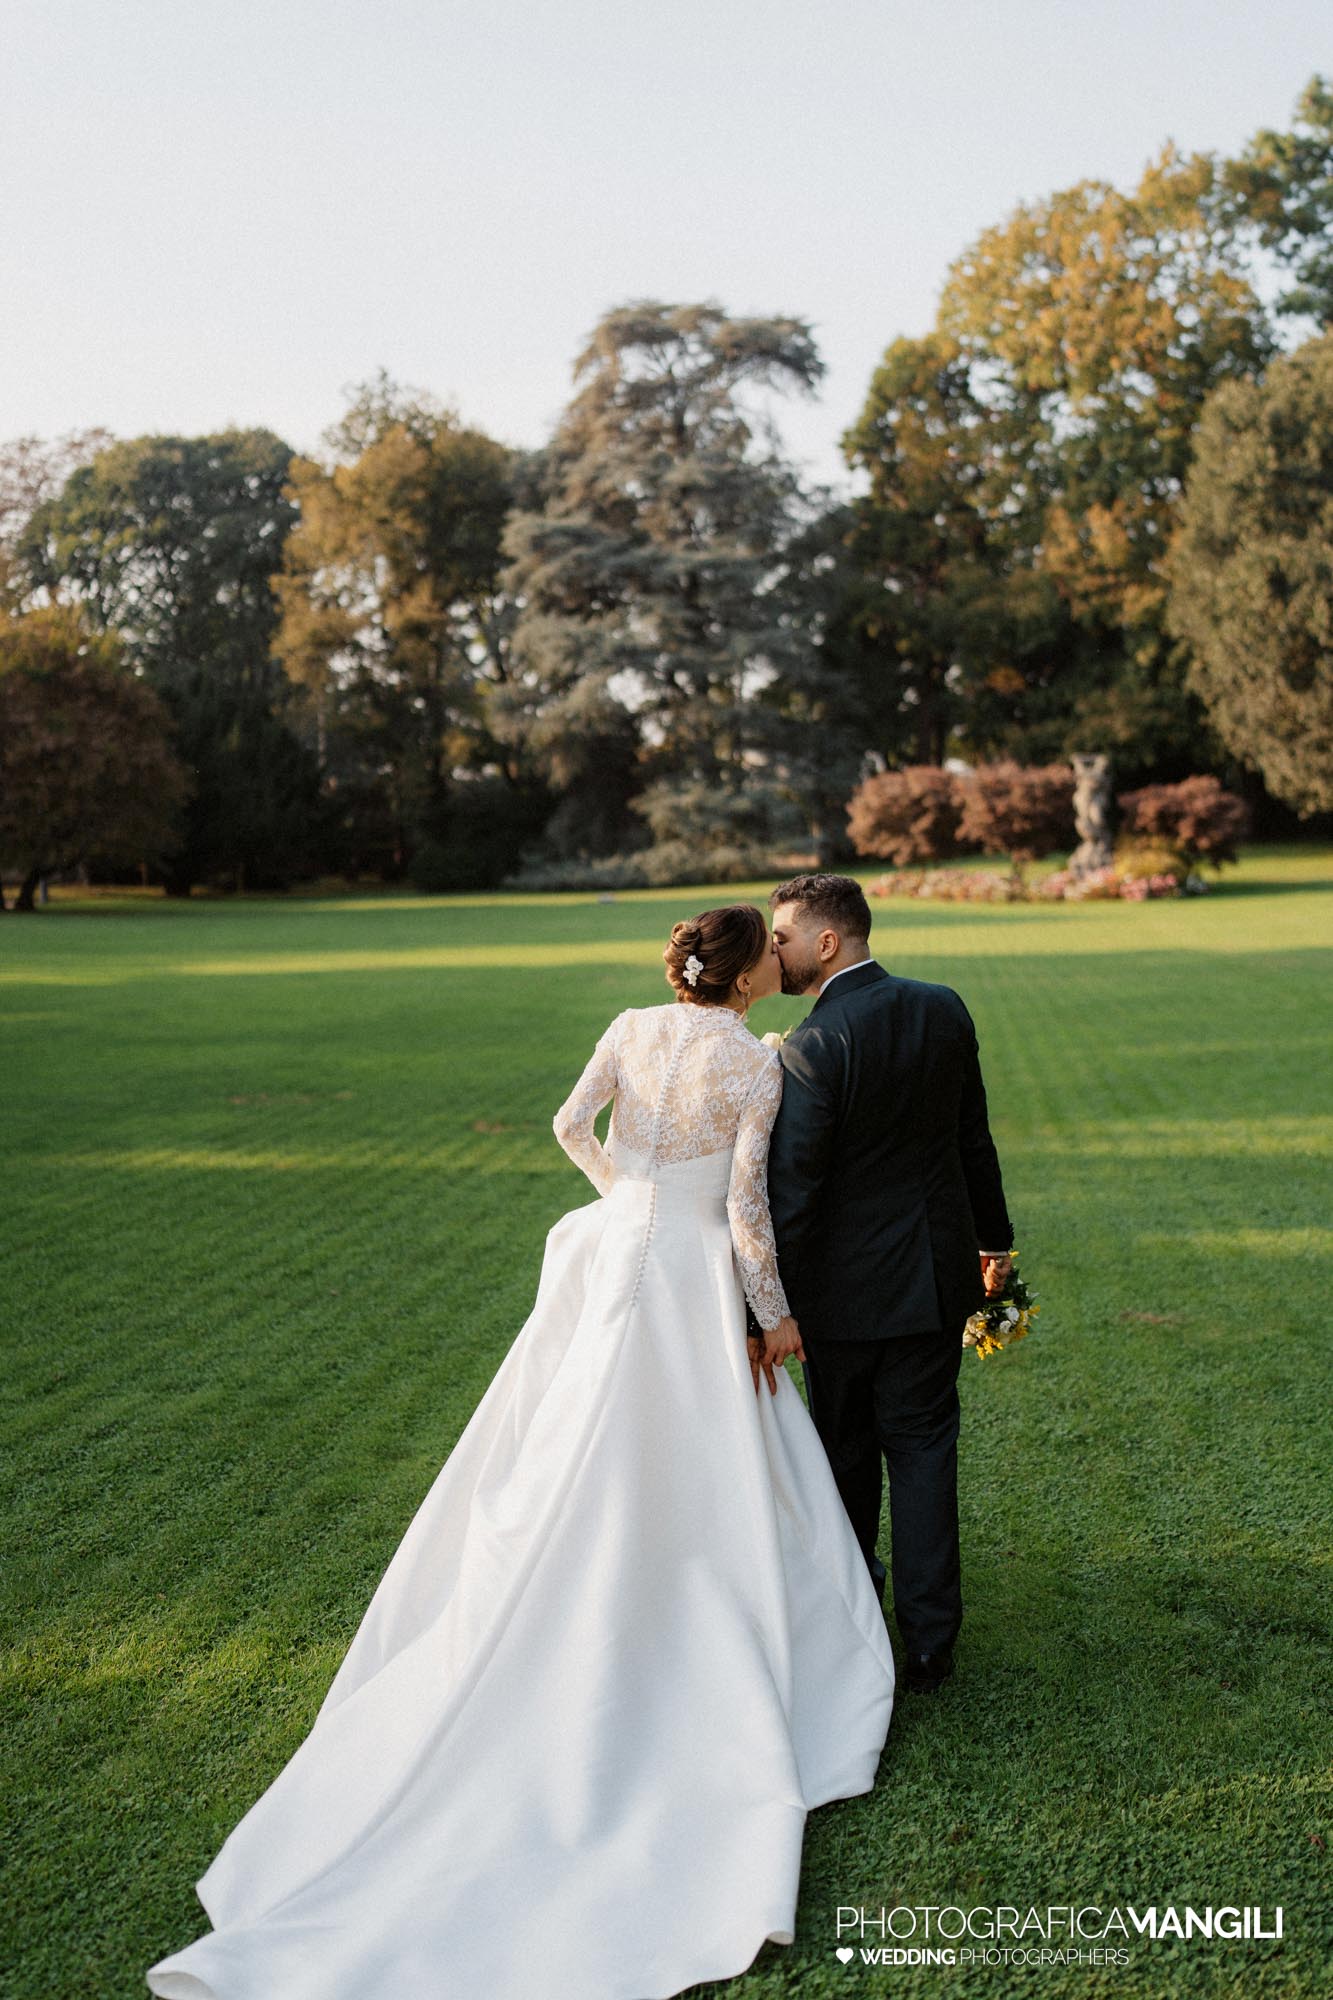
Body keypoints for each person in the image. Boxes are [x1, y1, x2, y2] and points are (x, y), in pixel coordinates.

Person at [145, 903, 894, 2000]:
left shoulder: (631, 1025)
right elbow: (743, 1209)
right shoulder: (756, 1061)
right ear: (744, 981)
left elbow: (567, 1125)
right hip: (689, 1270)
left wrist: (622, 1203)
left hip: (614, 1249)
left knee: (564, 1433)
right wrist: (770, 1315)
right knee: (709, 1449)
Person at [752, 873, 1014, 1697]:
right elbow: (973, 1139)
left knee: (847, 1453)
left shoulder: (810, 1046)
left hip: (842, 1299)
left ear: (827, 941)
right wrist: (993, 1244)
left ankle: (854, 1617)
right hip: (936, 1282)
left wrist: (772, 1304)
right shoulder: (944, 1007)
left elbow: (794, 1190)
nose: (775, 951)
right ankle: (932, 1644)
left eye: (784, 936)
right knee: (927, 1452)